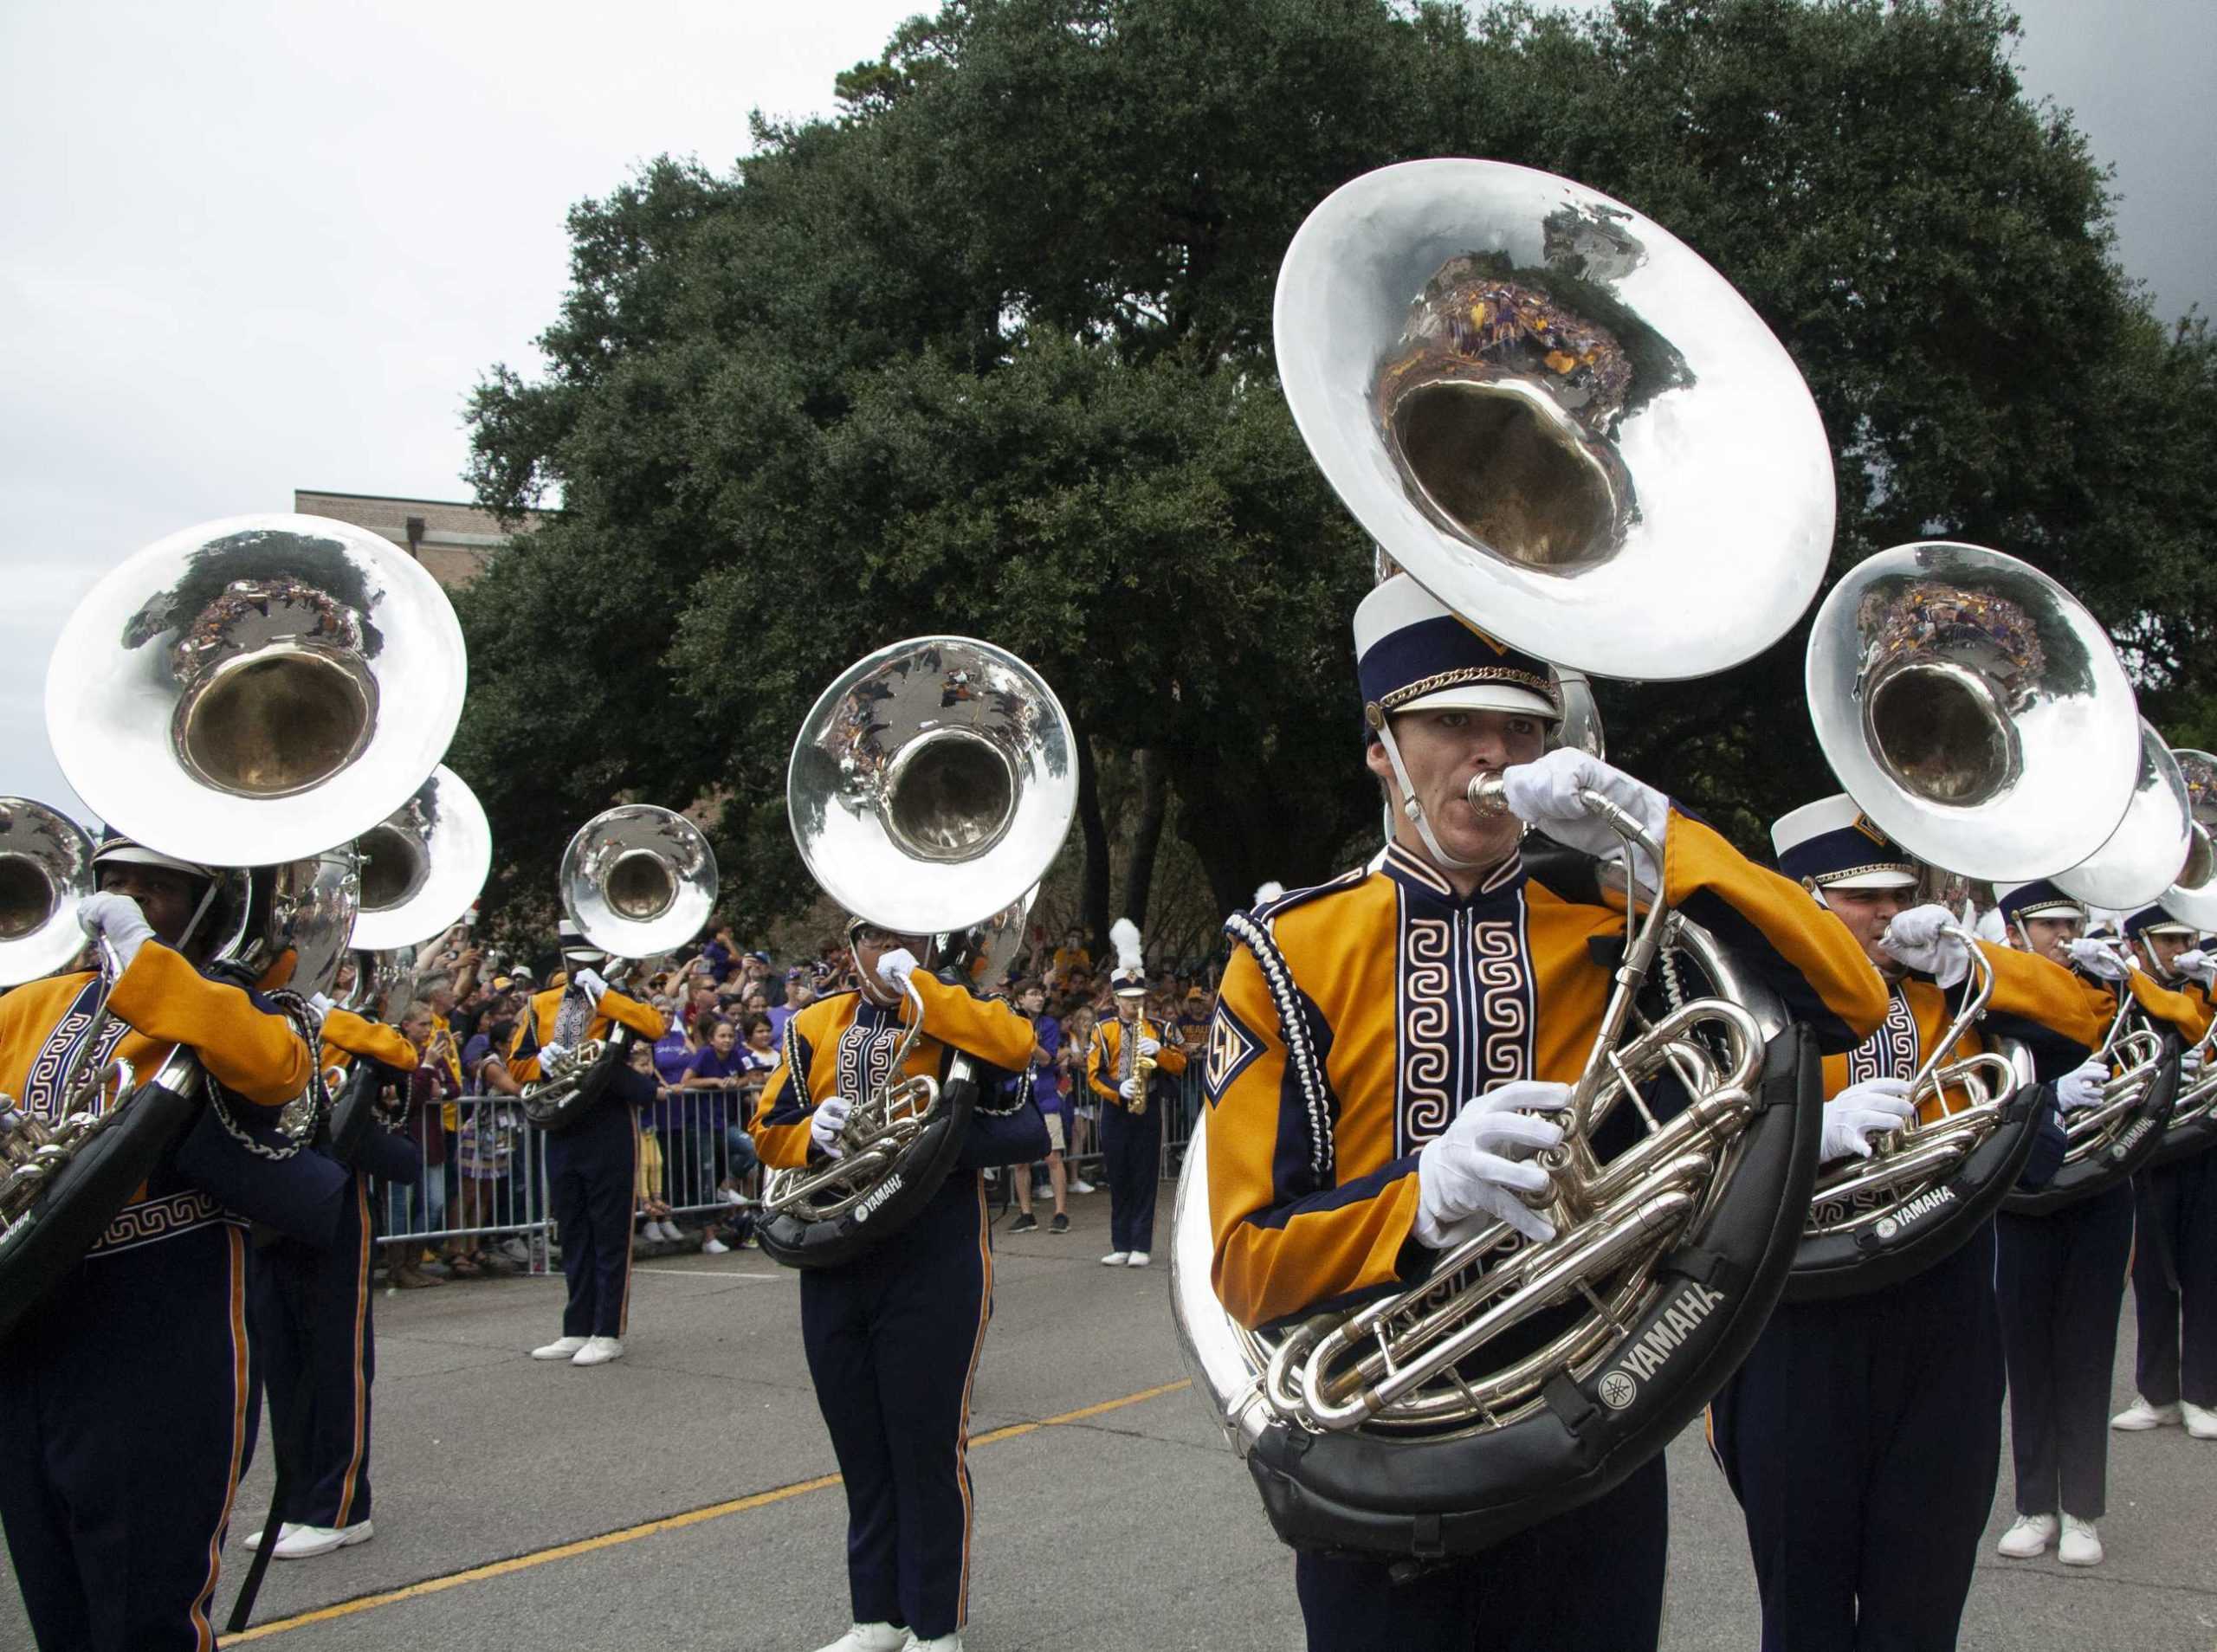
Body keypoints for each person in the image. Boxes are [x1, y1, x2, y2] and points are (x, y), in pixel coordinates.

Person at [1203, 578, 1888, 1652]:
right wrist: (1420, 1198)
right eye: (1450, 724)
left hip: (1597, 1420)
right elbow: (1244, 1263)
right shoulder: (1286, 953)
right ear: (1380, 744)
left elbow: (1852, 999)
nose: (1492, 757)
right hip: (1379, 1443)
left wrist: (1656, 831)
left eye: (1520, 727)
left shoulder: (1621, 909)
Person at [1709, 797, 2110, 1650]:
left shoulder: (1952, 993)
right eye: (1862, 896)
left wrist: (1974, 967)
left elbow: (2075, 1041)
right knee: (1803, 1609)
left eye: (1899, 891)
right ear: (1805, 898)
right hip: (1798, 1322)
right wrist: (1807, 1134)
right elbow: (1688, 1168)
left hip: (1944, 1322)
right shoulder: (1746, 997)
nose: (1889, 912)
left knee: (1921, 1607)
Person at [0, 834, 314, 1650]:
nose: (129, 904)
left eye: (157, 891)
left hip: (159, 1314)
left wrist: (146, 955)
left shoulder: (231, 1004)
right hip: (26, 1321)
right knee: (55, 1598)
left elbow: (274, 1067)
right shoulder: (29, 1005)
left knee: (146, 1611)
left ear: (203, 904)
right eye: (115, 886)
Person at [754, 917, 1048, 1652]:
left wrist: (922, 990)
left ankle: (936, 1624)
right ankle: (876, 1617)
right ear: (845, 944)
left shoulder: (958, 1014)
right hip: (834, 1254)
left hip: (934, 1254)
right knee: (861, 1446)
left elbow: (1025, 1107)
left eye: (904, 935)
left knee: (925, 1448)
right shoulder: (813, 1024)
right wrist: (809, 1134)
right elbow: (767, 1125)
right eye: (868, 936)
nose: (883, 948)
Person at [1986, 882, 2211, 1567]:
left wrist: (2138, 983)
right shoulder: (1992, 988)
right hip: (2022, 1195)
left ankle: (2082, 1510)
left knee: (2085, 1352)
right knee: (2026, 1356)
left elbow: (2185, 1040)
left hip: (2100, 1191)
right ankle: (2034, 1505)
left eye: (2069, 922)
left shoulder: (2112, 992)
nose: (2061, 934)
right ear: (2017, 928)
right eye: (2048, 923)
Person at [243, 994, 422, 1561]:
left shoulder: (338, 1027)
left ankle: (342, 1508)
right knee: (283, 1364)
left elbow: (401, 1055)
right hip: (271, 1202)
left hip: (335, 1204)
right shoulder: (255, 1018)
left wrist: (326, 1014)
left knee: (334, 1359)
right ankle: (295, 1503)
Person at [488, 920, 666, 1366]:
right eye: (573, 955)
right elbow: (518, 1063)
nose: (579, 962)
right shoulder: (541, 1003)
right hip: (562, 1122)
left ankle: (608, 1330)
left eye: (587, 954)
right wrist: (543, 1064)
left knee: (609, 1231)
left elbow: (654, 1026)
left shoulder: (614, 997)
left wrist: (605, 996)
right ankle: (576, 1326)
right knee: (572, 1229)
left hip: (607, 1119)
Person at [2111, 901, 2217, 1441]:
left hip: (2207, 1144)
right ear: (2138, 945)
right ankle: (2157, 1393)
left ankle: (2204, 1393)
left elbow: (2198, 1025)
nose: (2182, 950)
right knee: (2151, 1274)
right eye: (2169, 940)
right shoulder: (2121, 994)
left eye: (2186, 938)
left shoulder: (2205, 986)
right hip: (2148, 1148)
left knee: (2206, 1272)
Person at [1087, 922, 1186, 1267]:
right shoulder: (1103, 1030)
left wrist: (1160, 1050)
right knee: (1119, 1176)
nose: (1133, 1005)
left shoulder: (1161, 1028)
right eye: (1126, 1000)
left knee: (1145, 1176)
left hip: (1149, 1107)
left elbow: (1180, 1064)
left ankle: (1141, 1245)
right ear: (1115, 1000)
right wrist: (1118, 1089)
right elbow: (1093, 1075)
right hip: (1116, 1111)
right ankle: (1121, 1244)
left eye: (1138, 999)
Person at [1008, 980, 1069, 1234]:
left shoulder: (1048, 1025)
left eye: (1041, 994)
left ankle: (1060, 1213)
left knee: (1053, 1156)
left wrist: (1027, 1040)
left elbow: (1047, 1060)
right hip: (1018, 1097)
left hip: (1044, 1097)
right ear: (1019, 999)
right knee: (1021, 1160)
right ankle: (1026, 1213)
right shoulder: (1010, 1023)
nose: (1040, 998)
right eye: (1033, 994)